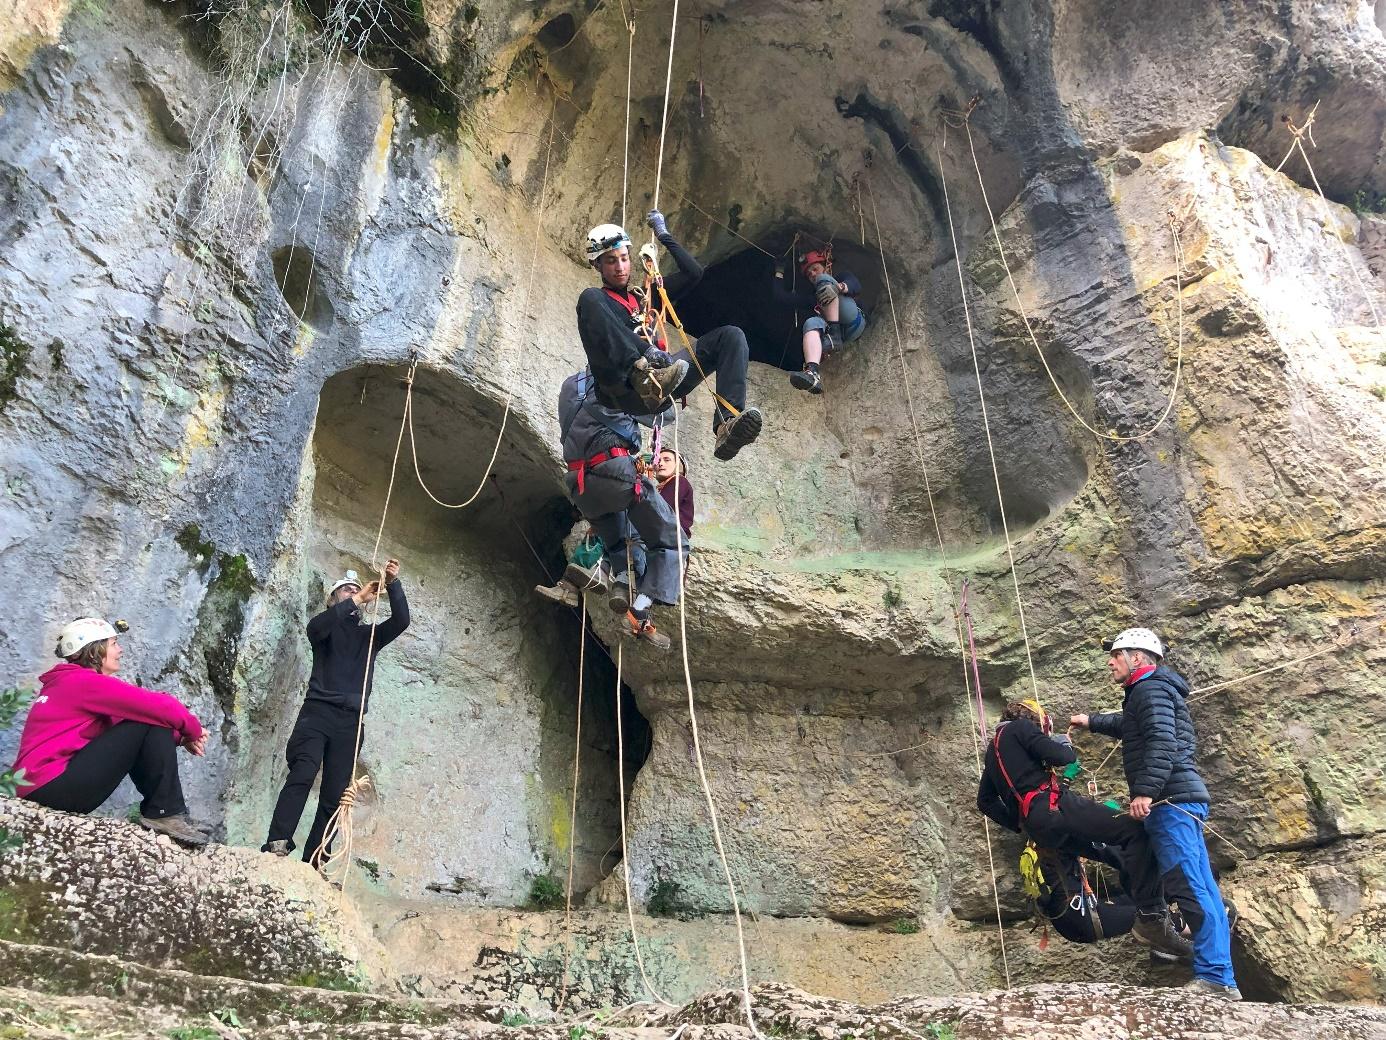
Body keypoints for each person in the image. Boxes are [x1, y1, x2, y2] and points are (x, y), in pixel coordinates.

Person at [1071, 627, 1241, 1001]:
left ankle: (1215, 977)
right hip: (1181, 799)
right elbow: (1133, 727)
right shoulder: (1151, 692)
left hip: (1170, 802)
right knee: (1201, 886)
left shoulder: (1149, 690)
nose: (1110, 662)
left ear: (1138, 657)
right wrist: (1091, 721)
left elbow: (1162, 741)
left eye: (1116, 655)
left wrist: (1146, 791)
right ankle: (1220, 975)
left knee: (1189, 886)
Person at [976, 698, 1192, 960]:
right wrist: (1061, 743)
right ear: (1035, 721)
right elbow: (1063, 756)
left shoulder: (993, 750)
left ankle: (1158, 920)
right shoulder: (1021, 728)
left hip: (1039, 826)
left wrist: (1019, 822)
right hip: (1054, 807)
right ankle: (1152, 915)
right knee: (1135, 832)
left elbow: (985, 801)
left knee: (1110, 848)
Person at [579, 211, 763, 461]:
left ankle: (726, 424)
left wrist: (664, 235)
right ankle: (641, 372)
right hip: (620, 387)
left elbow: (694, 273)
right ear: (596, 264)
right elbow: (600, 332)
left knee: (731, 336)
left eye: (624, 258)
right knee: (588, 297)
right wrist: (647, 352)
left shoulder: (645, 295)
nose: (620, 266)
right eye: (611, 260)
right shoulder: (598, 301)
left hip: (661, 380)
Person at [11, 618, 208, 844]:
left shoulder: (68, 684)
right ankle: (164, 813)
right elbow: (162, 706)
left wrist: (181, 738)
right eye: (114, 643)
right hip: (51, 789)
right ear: (95, 651)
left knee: (148, 719)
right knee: (150, 716)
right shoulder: (82, 683)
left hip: (42, 788)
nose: (120, 649)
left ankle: (168, 812)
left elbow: (129, 730)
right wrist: (193, 730)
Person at [263, 561, 409, 866]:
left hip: (350, 723)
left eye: (355, 589)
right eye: (345, 589)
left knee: (333, 795)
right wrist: (358, 599)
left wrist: (393, 584)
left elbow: (402, 621)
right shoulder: (324, 629)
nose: (353, 592)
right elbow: (315, 627)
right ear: (333, 599)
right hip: (318, 713)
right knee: (303, 771)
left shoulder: (369, 636)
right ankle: (278, 841)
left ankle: (315, 861)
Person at [558, 368, 676, 651]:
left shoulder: (573, 386)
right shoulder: (617, 387)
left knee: (621, 544)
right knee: (670, 548)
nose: (663, 463)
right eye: (664, 458)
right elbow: (665, 414)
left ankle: (621, 596)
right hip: (619, 484)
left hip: (583, 484)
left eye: (671, 461)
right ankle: (637, 610)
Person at [772, 248, 867, 395]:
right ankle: (812, 373)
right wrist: (779, 270)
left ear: (827, 266)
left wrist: (838, 287)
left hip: (853, 322)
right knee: (811, 323)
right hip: (840, 336)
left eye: (815, 269)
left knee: (824, 281)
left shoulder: (842, 276)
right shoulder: (813, 298)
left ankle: (834, 335)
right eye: (809, 274)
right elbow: (780, 297)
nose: (813, 274)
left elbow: (855, 284)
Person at [654, 446, 695, 540]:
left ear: (678, 465)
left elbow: (659, 509)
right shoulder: (664, 487)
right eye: (658, 460)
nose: (660, 464)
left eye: (667, 460)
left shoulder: (679, 481)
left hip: (672, 542)